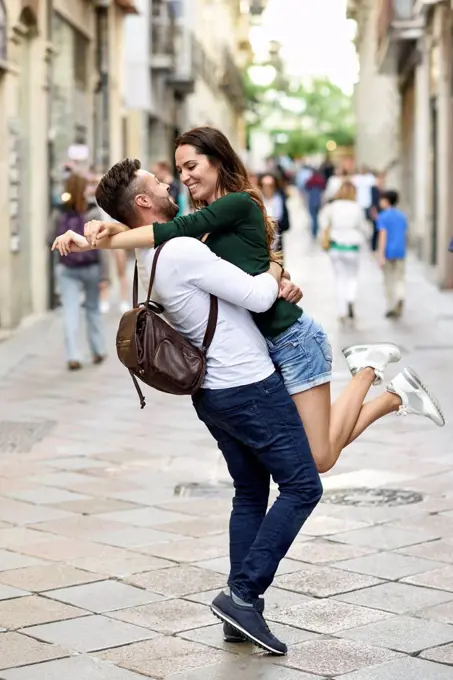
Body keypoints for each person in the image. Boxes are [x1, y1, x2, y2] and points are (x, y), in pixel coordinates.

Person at [54, 162, 323, 656]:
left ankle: (242, 615)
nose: (168, 185)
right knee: (304, 485)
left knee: (249, 492)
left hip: (211, 393)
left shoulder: (149, 254)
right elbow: (259, 296)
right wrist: (277, 268)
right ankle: (243, 597)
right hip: (246, 384)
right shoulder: (178, 248)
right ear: (143, 203)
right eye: (160, 183)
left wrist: (97, 233)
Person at [61, 134, 445, 475]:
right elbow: (242, 263)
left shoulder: (237, 204)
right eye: (178, 171)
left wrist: (96, 239)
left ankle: (371, 373)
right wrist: (108, 228)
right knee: (315, 455)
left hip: (292, 339)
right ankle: (393, 390)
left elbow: (168, 232)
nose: (183, 177)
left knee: (319, 460)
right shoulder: (203, 220)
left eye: (191, 166)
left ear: (218, 161)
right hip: (268, 344)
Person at [50, 173, 106, 370]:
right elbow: (102, 245)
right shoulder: (92, 211)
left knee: (70, 311)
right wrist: (105, 275)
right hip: (91, 267)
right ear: (84, 188)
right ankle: (98, 350)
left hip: (67, 269)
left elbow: (49, 238)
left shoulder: (59, 211)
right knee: (92, 309)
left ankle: (73, 355)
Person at [319, 180, 370, 322]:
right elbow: (364, 227)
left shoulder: (332, 207)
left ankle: (342, 311)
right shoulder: (357, 208)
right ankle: (351, 299)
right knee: (352, 276)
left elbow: (323, 223)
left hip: (336, 246)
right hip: (352, 246)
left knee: (340, 278)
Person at [377, 190, 408, 318]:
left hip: (388, 252)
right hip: (400, 251)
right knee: (400, 278)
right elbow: (405, 235)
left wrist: (380, 255)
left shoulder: (383, 216)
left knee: (388, 280)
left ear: (386, 201)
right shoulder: (402, 216)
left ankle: (391, 306)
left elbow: (383, 236)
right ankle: (400, 296)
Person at [258, 172, 290, 254]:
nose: (267, 188)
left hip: (277, 237)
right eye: (265, 185)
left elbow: (284, 220)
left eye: (270, 185)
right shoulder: (258, 199)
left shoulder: (279, 199)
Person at [305, 168, 326, 238]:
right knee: (316, 216)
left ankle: (314, 230)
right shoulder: (321, 181)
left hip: (311, 200)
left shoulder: (310, 180)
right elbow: (323, 191)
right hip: (318, 200)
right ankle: (315, 229)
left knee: (313, 217)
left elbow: (306, 189)